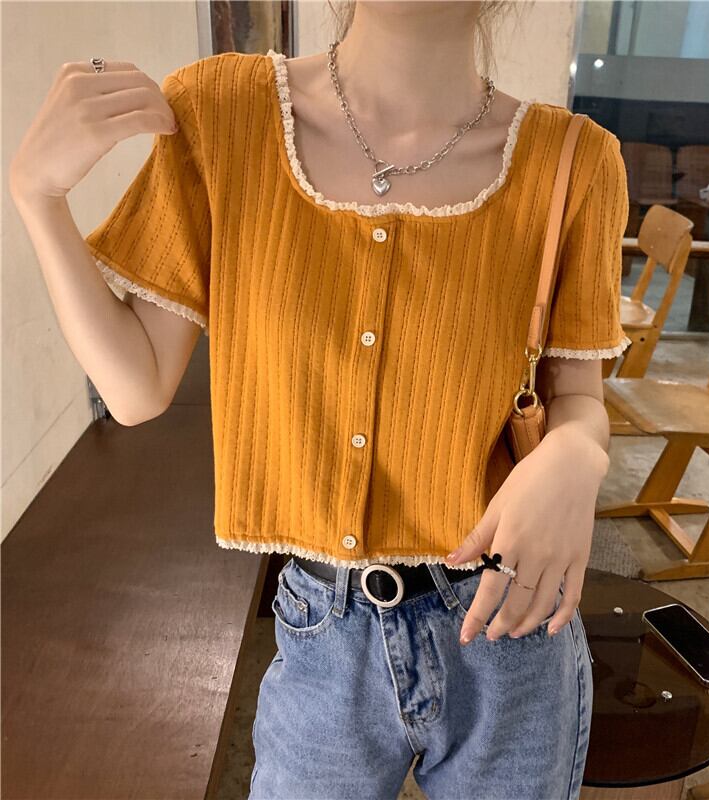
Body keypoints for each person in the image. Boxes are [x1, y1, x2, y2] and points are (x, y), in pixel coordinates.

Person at [9, 1, 630, 797]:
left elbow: (576, 396)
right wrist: (37, 197)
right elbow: (135, 386)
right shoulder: (222, 115)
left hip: (510, 620)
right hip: (321, 628)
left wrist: (578, 452)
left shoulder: (574, 162)